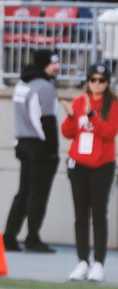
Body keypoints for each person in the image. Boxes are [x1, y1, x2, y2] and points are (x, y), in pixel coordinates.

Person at [61, 63, 118, 283]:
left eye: (101, 80)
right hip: (79, 164)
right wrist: (70, 117)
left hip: (102, 165)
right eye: (93, 80)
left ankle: (98, 263)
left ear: (107, 83)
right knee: (80, 215)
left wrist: (91, 114)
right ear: (88, 81)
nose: (97, 84)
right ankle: (82, 261)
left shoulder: (112, 104)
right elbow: (68, 133)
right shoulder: (78, 101)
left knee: (99, 215)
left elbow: (109, 132)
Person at [3, 48, 61, 254]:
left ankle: (9, 236)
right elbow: (46, 122)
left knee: (23, 192)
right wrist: (53, 149)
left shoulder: (21, 84)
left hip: (22, 143)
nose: (57, 67)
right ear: (43, 64)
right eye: (53, 63)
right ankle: (32, 238)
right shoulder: (45, 87)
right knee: (38, 194)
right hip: (39, 146)